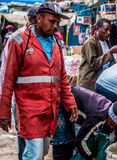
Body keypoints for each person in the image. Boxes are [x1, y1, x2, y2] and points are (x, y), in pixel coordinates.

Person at [0, 3, 78, 160]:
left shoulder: (56, 43)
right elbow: (7, 80)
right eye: (52, 21)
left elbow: (62, 77)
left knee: (41, 152)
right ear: (39, 18)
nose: (56, 26)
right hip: (29, 111)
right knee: (34, 154)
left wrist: (71, 103)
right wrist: (4, 112)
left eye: (58, 23)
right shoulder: (19, 41)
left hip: (50, 110)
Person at [51, 86, 117, 160]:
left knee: (70, 140)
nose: (111, 127)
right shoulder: (99, 116)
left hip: (69, 100)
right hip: (61, 100)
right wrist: (91, 157)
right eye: (113, 124)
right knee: (61, 141)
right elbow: (80, 141)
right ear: (111, 117)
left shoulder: (108, 107)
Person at [0, 6, 39, 160]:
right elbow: (5, 75)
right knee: (25, 139)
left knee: (38, 144)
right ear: (32, 20)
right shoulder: (16, 38)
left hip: (42, 101)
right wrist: (4, 112)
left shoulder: (49, 38)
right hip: (22, 101)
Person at [78, 18, 117, 91]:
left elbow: (108, 62)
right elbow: (94, 64)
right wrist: (110, 52)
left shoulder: (106, 42)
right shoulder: (90, 43)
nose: (108, 32)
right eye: (106, 29)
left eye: (110, 30)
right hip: (89, 84)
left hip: (101, 82)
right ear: (97, 28)